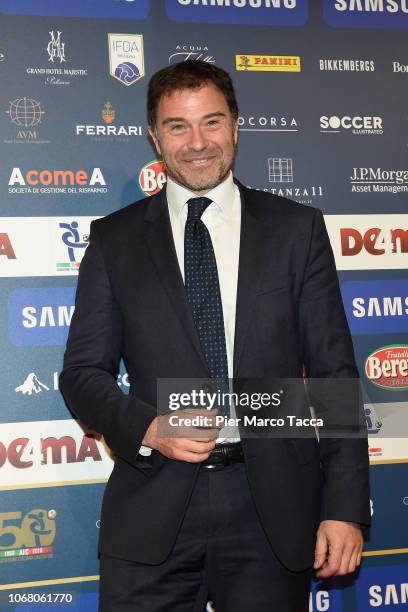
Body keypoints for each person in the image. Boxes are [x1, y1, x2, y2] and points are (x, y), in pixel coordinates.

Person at [60, 60, 370, 612]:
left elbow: (333, 375)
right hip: (152, 506)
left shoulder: (296, 230)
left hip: (270, 509)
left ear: (237, 125)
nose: (197, 142)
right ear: (154, 136)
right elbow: (83, 375)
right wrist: (149, 428)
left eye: (212, 122)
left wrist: (344, 506)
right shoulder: (116, 240)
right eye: (178, 126)